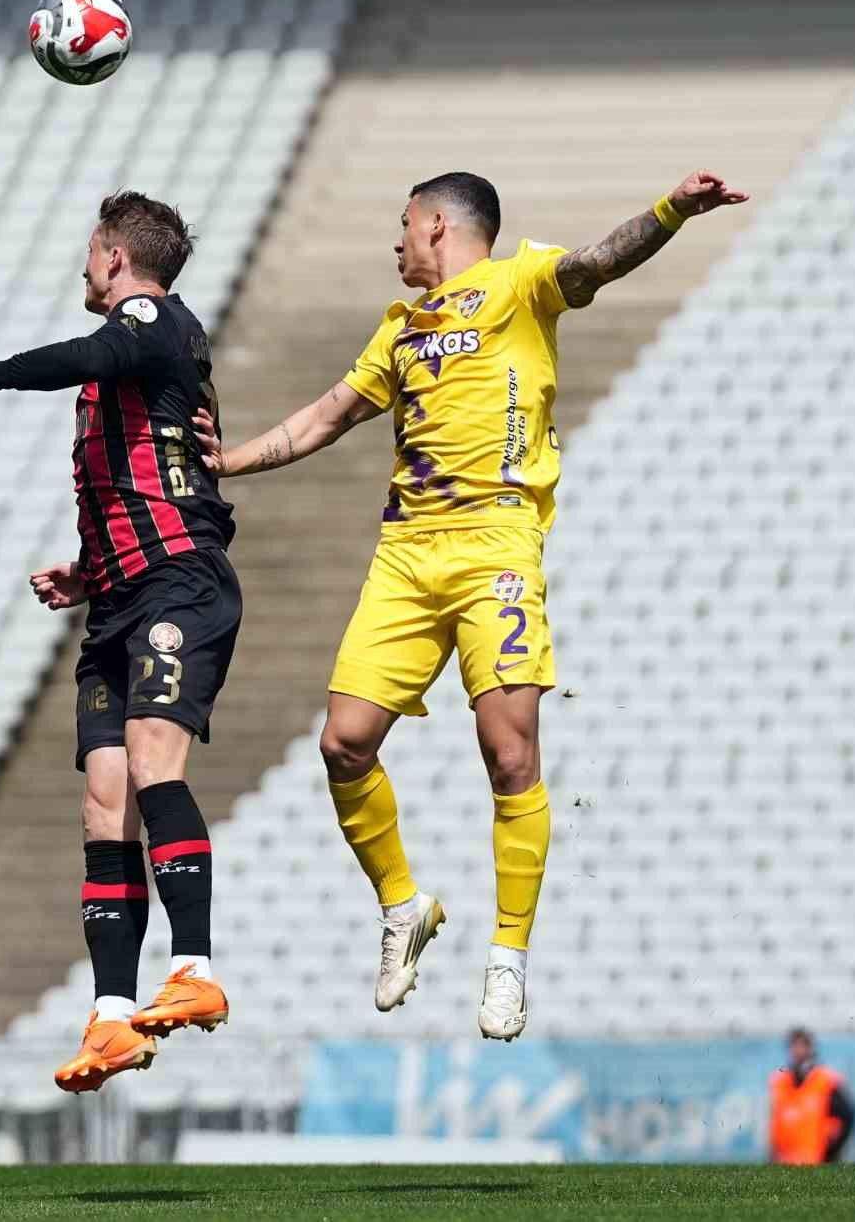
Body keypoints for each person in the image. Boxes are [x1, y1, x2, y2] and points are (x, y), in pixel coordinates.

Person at [193, 171, 747, 1040]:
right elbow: (329, 415)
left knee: (508, 753)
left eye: (404, 223)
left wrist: (674, 209)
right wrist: (230, 463)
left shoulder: (522, 285)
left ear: (440, 225)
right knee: (342, 742)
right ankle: (404, 908)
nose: (396, 240)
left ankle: (508, 960)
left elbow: (602, 261)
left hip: (496, 545)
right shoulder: (399, 328)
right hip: (406, 554)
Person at [0, 190, 240, 1093]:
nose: (83, 266)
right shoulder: (149, 355)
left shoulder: (144, 315)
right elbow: (144, 468)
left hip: (177, 584)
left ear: (115, 257)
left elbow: (89, 352)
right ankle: (113, 1017)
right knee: (103, 802)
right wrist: (86, 566)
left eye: (89, 251)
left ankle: (196, 972)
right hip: (117, 593)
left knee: (153, 765)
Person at [769, 1027, 855, 1164]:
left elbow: (846, 1117)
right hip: (784, 1160)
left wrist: (831, 1150)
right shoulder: (780, 1081)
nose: (797, 1051)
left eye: (802, 1046)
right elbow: (776, 1122)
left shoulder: (826, 1080)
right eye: (794, 1046)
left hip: (816, 1159)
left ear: (811, 1048)